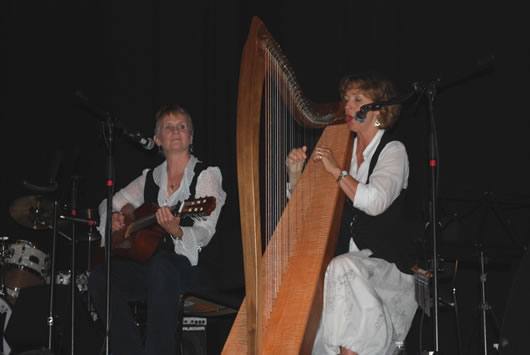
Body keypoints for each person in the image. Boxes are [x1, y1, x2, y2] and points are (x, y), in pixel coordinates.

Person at [286, 73, 419, 355]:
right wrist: (295, 176)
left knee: (341, 267)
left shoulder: (393, 151)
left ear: (379, 110)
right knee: (336, 271)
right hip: (346, 273)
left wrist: (336, 171)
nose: (348, 106)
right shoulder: (339, 148)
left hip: (386, 270)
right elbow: (308, 213)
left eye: (358, 100)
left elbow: (374, 202)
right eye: (346, 100)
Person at [88, 104, 227, 355]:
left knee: (161, 264)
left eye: (182, 126)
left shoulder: (206, 175)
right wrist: (114, 217)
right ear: (156, 140)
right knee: (100, 278)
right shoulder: (149, 178)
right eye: (168, 127)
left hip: (196, 271)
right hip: (155, 273)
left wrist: (178, 231)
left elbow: (206, 231)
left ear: (191, 137)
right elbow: (107, 203)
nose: (175, 131)